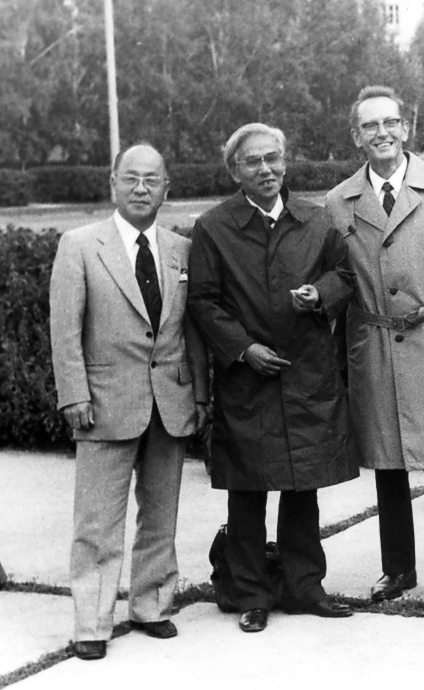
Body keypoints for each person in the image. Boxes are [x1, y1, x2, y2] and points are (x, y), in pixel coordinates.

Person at [187, 123, 356, 633]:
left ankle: (305, 587)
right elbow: (203, 301)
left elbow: (345, 275)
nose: (266, 169)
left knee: (304, 486)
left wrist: (320, 294)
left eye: (273, 158)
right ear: (234, 171)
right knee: (248, 490)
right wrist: (243, 349)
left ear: (285, 162)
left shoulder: (316, 220)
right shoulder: (213, 228)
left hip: (306, 373)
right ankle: (251, 593)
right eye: (253, 162)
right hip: (248, 380)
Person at [325, 86, 424, 610]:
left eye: (391, 123)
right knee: (388, 467)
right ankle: (397, 569)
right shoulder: (339, 201)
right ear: (356, 136)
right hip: (373, 348)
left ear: (406, 128)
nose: (383, 133)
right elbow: (337, 277)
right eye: (371, 126)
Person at [50, 143, 209, 660]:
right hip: (103, 402)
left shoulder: (181, 249)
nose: (141, 188)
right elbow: (64, 329)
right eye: (131, 178)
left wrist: (199, 393)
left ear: (167, 189)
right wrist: (74, 393)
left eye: (152, 180)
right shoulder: (79, 245)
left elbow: (191, 329)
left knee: (161, 515)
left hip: (170, 401)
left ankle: (151, 605)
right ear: (113, 184)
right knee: (97, 522)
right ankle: (91, 623)